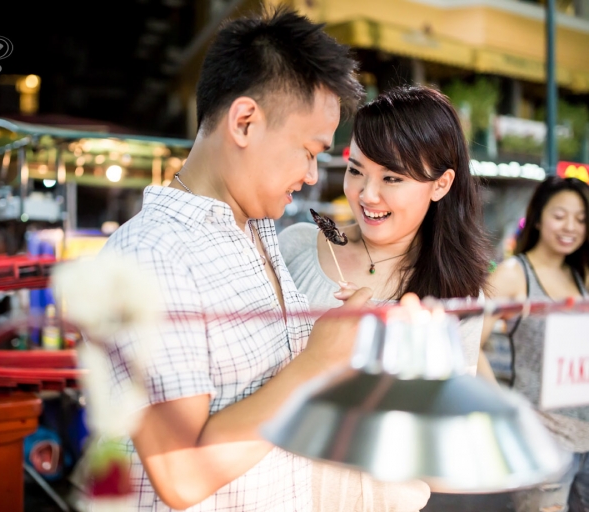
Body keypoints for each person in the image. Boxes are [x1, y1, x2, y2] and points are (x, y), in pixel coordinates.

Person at [100, 8, 373, 511]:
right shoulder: (152, 256)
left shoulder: (259, 228)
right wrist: (318, 362)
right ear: (245, 122)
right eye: (309, 151)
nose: (312, 176)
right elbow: (180, 475)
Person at [279, 86, 490, 510]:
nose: (366, 194)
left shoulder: (458, 295)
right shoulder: (296, 247)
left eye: (392, 178)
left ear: (441, 184)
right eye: (356, 170)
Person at [479, 176, 589, 512]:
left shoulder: (580, 275)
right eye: (560, 215)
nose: (570, 226)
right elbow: (467, 342)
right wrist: (506, 408)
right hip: (545, 442)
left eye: (582, 218)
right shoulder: (514, 273)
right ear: (539, 217)